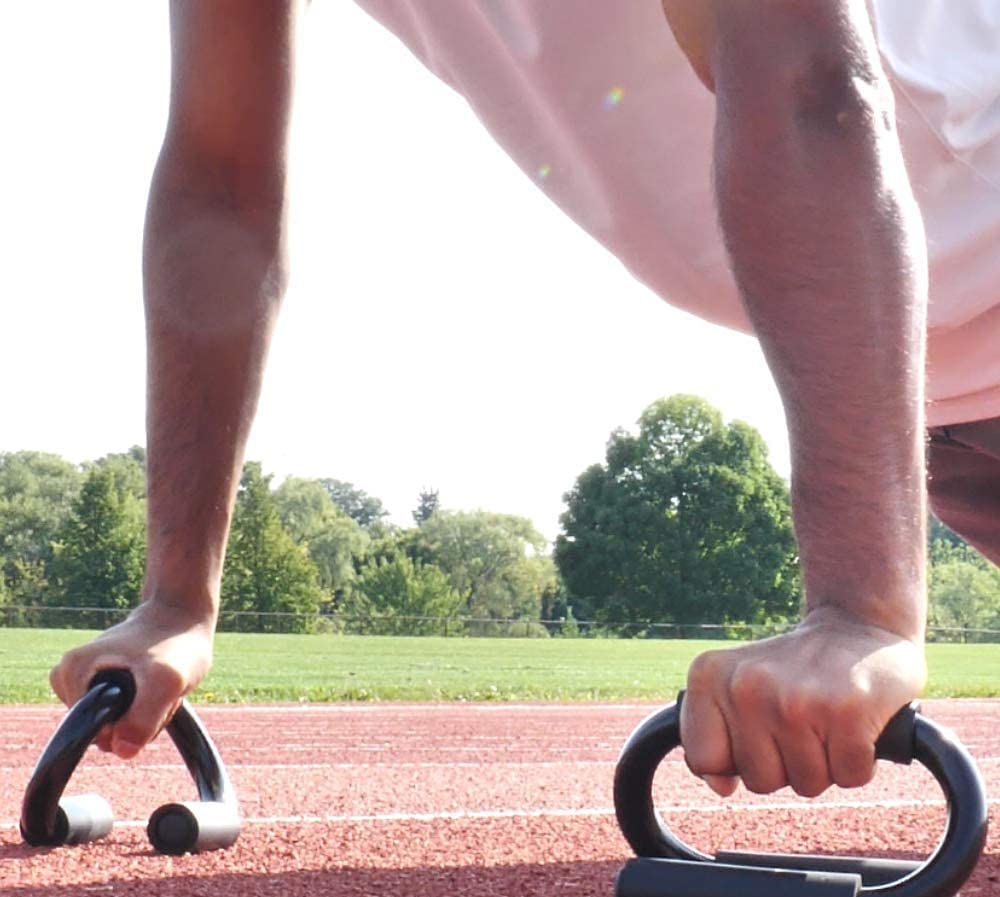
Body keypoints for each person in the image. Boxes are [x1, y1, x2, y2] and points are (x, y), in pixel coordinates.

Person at [49, 0, 1000, 799]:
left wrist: (860, 606)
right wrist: (175, 601)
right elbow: (220, 180)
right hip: (943, 412)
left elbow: (809, 80)